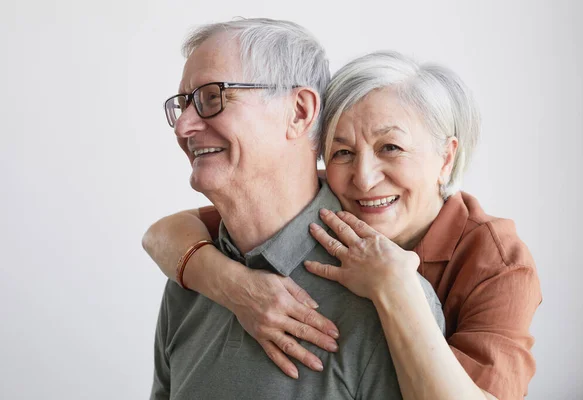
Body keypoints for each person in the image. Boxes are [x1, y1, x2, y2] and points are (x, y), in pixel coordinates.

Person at [145, 45, 542, 399]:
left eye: (391, 147)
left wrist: (397, 287)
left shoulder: (497, 262)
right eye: (342, 152)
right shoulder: (325, 206)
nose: (364, 179)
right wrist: (237, 287)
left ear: (446, 158)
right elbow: (164, 234)